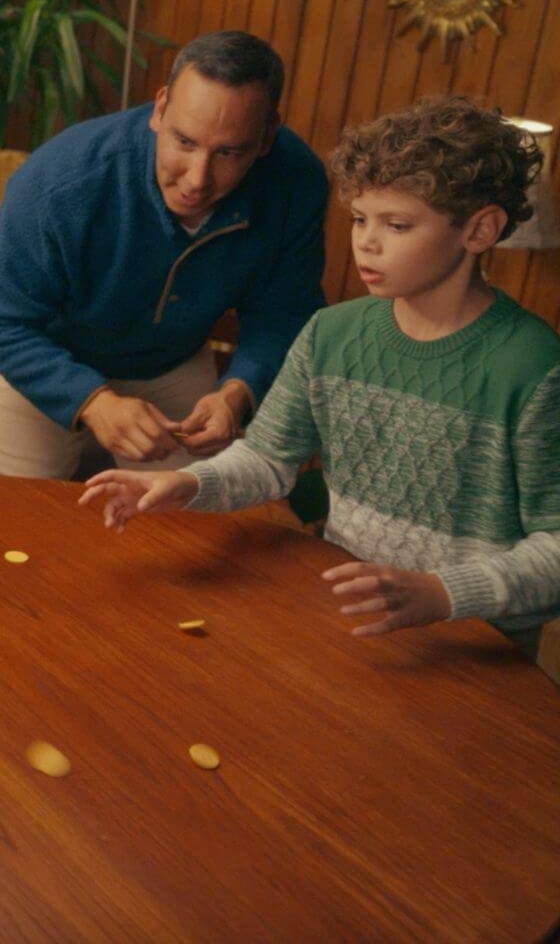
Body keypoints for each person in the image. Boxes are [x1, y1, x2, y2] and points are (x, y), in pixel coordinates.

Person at [80, 97, 560, 651]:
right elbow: (268, 459)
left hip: (476, 649)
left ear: (479, 230)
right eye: (359, 219)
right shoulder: (330, 333)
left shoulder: (532, 366)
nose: (366, 242)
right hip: (344, 622)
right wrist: (187, 484)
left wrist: (445, 593)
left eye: (397, 224)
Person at [0, 30, 330, 478]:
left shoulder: (296, 182)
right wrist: (94, 402)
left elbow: (286, 312)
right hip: (43, 360)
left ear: (267, 135)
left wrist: (238, 391)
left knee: (194, 513)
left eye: (228, 153)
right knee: (16, 515)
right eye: (184, 142)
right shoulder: (58, 180)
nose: (197, 179)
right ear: (160, 108)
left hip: (172, 364)